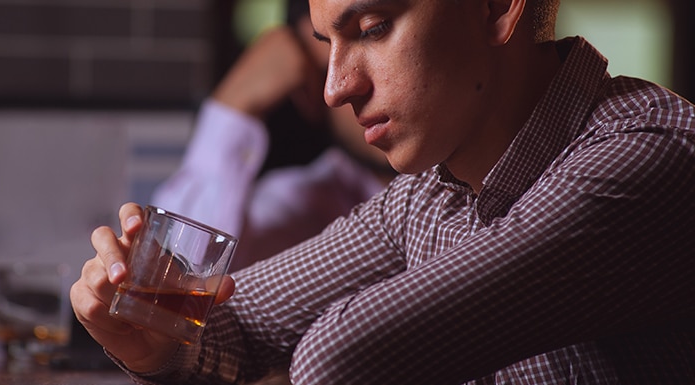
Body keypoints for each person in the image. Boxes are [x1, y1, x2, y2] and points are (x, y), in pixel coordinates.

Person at [72, 0, 695, 383]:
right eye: (326, 47)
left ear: (498, 6)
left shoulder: (649, 157)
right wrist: (153, 342)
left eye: (371, 28)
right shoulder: (428, 194)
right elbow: (230, 326)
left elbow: (339, 363)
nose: (334, 89)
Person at [151, 0, 394, 271]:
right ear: (310, 98)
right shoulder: (303, 205)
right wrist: (235, 105)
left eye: (375, 31)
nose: (340, 89)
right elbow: (180, 271)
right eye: (324, 71)